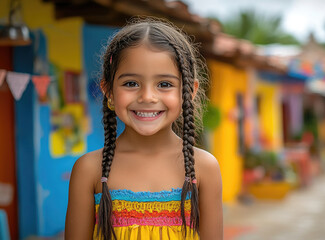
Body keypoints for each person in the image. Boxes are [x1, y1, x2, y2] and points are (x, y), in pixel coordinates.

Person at [65, 19, 223, 240]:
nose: (147, 97)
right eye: (131, 83)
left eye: (164, 84)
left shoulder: (204, 168)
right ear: (108, 90)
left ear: (189, 90)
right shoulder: (89, 170)